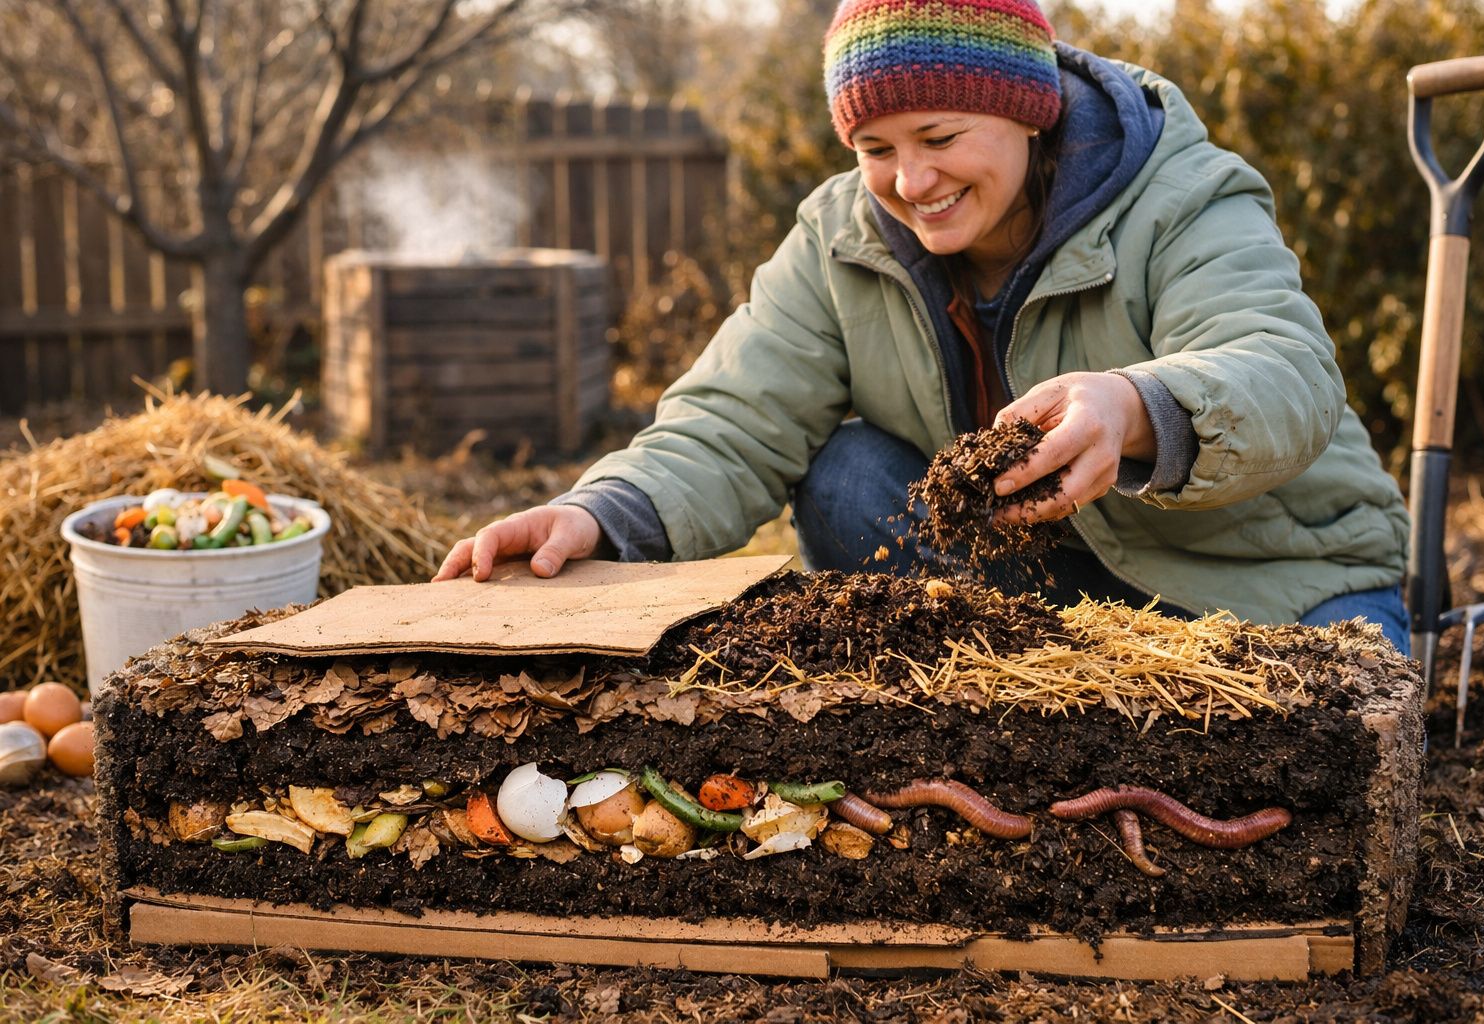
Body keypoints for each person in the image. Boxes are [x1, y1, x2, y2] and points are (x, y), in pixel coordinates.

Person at [434, 0, 1412, 653]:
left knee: (1330, 729)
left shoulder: (1181, 194)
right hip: (1045, 589)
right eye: (875, 148)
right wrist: (601, 516)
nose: (911, 183)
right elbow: (735, 416)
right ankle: (1029, 680)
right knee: (847, 474)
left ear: (1028, 113)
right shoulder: (840, 235)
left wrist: (1136, 405)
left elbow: (1288, 371)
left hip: (1269, 580)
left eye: (940, 138)